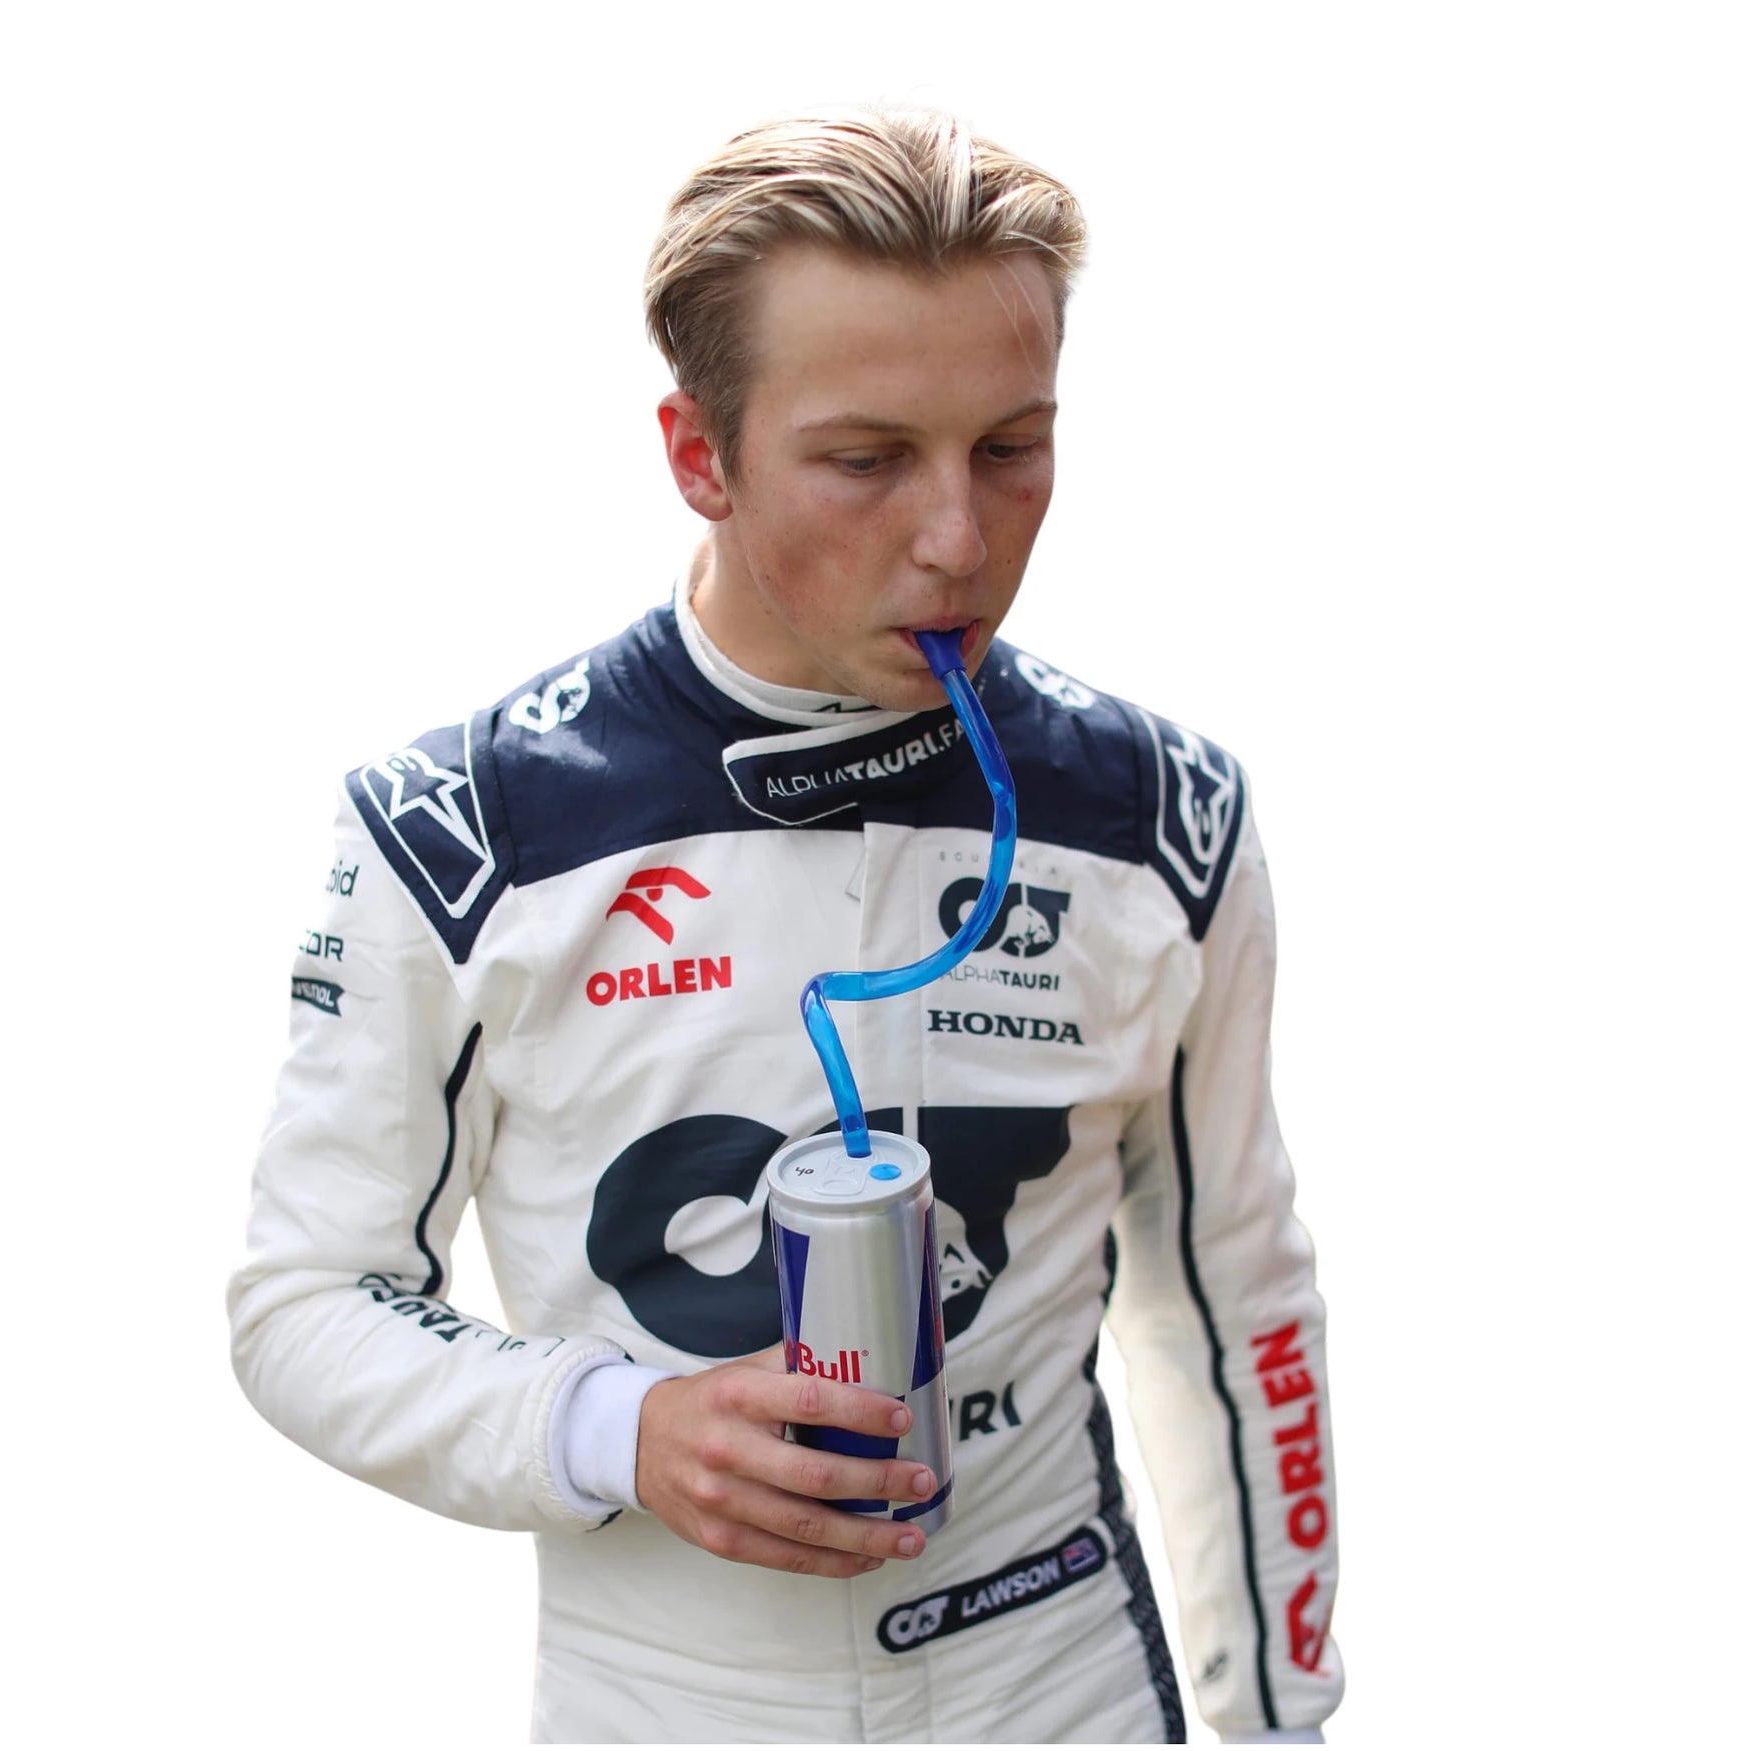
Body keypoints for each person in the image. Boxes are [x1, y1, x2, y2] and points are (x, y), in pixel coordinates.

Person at [229, 106, 1342, 1745]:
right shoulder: (464, 826)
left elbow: (1235, 1300)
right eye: (865, 460)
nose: (958, 538)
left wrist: (1283, 1723)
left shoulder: (1158, 817)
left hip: (1061, 1688)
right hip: (663, 1701)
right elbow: (302, 1302)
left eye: (1011, 447)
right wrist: (615, 1427)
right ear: (698, 455)